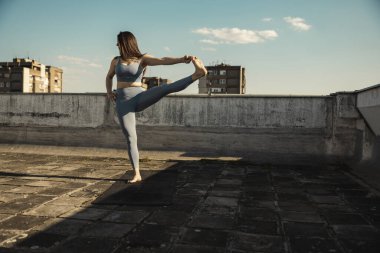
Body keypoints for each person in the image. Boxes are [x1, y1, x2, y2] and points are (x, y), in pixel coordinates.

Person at [106, 31, 207, 183]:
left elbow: (162, 60)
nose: (116, 45)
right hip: (123, 102)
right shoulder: (115, 61)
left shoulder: (142, 59)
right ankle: (137, 174)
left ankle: (197, 75)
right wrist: (109, 93)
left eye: (118, 42)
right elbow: (109, 76)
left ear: (126, 43)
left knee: (166, 88)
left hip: (140, 96)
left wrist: (181, 59)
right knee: (131, 138)